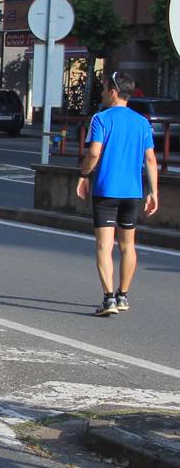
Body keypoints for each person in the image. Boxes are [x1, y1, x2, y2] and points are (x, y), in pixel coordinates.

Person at [76, 70, 159, 316]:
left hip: (106, 190)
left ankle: (108, 299)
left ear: (113, 91)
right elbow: (151, 160)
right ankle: (123, 295)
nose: (101, 93)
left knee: (104, 246)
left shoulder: (101, 119)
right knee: (128, 246)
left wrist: (83, 174)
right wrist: (153, 192)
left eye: (103, 89)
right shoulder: (142, 122)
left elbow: (94, 153)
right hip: (133, 192)